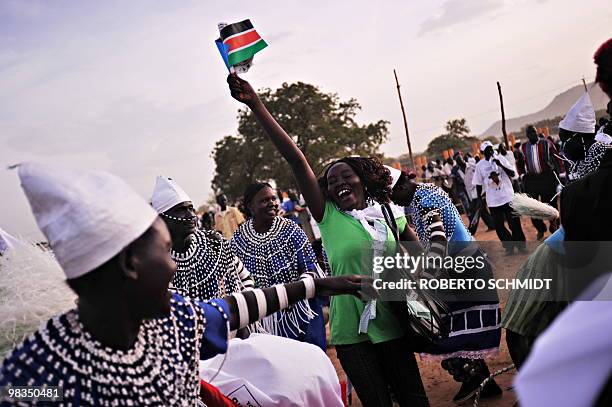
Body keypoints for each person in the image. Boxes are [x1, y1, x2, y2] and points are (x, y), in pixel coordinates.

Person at [0, 162, 377, 406]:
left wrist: (317, 286)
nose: (172, 266)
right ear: (130, 266)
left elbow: (234, 307)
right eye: (164, 252)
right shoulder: (32, 378)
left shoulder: (172, 321)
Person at [227, 73, 429, 406]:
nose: (338, 184)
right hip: (353, 334)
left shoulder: (390, 214)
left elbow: (422, 260)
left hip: (396, 323)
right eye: (331, 181)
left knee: (415, 400)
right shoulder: (329, 216)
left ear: (362, 180)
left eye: (345, 176)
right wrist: (256, 104)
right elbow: (296, 160)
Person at [382, 167, 503, 404]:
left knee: (440, 330)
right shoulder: (424, 192)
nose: (393, 200)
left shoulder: (425, 201)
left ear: (401, 186)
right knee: (456, 329)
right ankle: (481, 379)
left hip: (462, 270)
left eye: (392, 195)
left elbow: (437, 239)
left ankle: (476, 379)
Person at [231, 182, 327, 350]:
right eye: (264, 200)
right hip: (265, 320)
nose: (272, 203)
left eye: (273, 198)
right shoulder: (238, 240)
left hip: (302, 312)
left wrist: (294, 293)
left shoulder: (291, 229)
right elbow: (238, 280)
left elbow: (309, 268)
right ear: (250, 206)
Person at [151, 176, 254, 301]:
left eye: (191, 208)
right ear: (161, 218)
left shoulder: (215, 243)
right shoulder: (155, 262)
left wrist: (239, 309)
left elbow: (245, 278)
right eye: (181, 210)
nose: (191, 215)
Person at [473, 141, 526, 255]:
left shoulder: (501, 159)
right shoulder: (480, 166)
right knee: (499, 226)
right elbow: (477, 183)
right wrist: (479, 199)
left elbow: (513, 174)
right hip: (493, 201)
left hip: (507, 197)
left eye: (491, 148)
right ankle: (509, 247)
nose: (491, 151)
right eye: (487, 150)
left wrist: (501, 164)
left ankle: (521, 246)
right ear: (482, 152)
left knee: (514, 223)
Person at [518, 125, 562, 239]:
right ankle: (540, 228)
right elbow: (520, 162)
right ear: (527, 135)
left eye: (534, 132)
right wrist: (522, 174)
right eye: (530, 133)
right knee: (532, 206)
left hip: (546, 177)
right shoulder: (523, 147)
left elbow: (556, 158)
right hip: (532, 179)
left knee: (550, 204)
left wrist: (560, 175)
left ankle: (555, 228)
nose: (533, 134)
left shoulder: (546, 143)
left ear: (537, 132)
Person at [464, 157, 496, 234]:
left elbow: (478, 177)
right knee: (482, 211)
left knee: (474, 212)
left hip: (478, 193)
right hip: (474, 193)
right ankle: (492, 225)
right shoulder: (465, 169)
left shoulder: (471, 166)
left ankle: (471, 231)